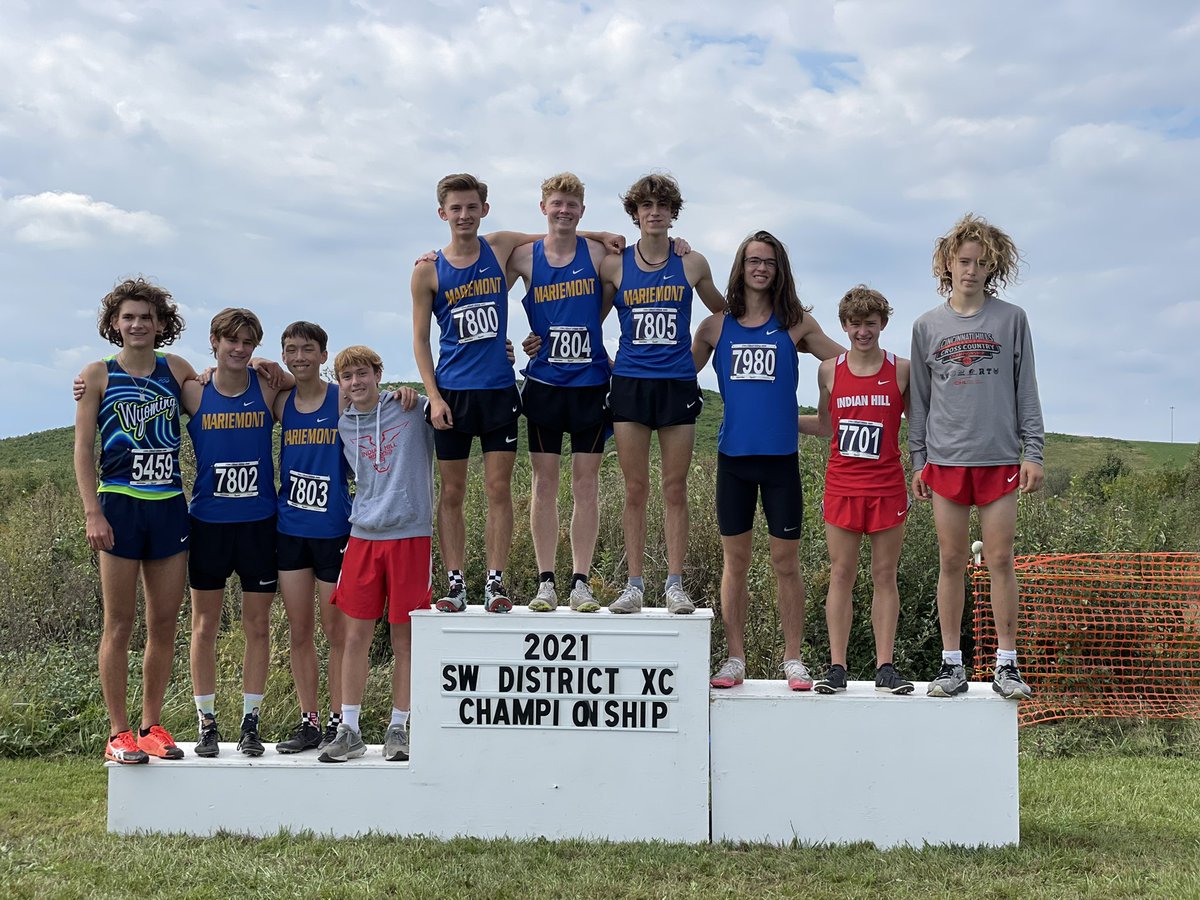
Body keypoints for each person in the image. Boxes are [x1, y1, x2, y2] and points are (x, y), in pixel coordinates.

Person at [411, 173, 618, 614]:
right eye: (455, 208)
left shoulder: (502, 245)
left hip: (507, 390)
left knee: (501, 489)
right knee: (452, 493)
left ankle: (498, 582)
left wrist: (600, 234)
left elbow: (561, 232)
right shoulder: (429, 269)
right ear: (442, 213)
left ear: (484, 210)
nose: (464, 215)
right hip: (455, 391)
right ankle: (455, 583)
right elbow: (421, 338)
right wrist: (434, 396)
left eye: (472, 207)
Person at [693, 231, 843, 689]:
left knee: (786, 563)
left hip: (781, 463)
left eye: (770, 262)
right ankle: (734, 657)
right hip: (733, 460)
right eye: (754, 260)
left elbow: (849, 363)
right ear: (740, 266)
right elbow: (673, 369)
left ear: (779, 270)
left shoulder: (796, 323)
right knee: (734, 563)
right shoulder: (716, 326)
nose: (761, 268)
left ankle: (793, 659)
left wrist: (900, 373)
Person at [909, 213, 1044, 700]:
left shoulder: (1012, 319)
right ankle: (951, 665)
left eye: (981, 263)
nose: (971, 270)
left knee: (1001, 559)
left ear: (993, 267)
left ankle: (1006, 664)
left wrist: (1034, 451)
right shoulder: (926, 326)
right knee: (950, 560)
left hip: (1000, 457)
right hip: (944, 461)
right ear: (948, 262)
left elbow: (1025, 388)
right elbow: (919, 402)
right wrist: (917, 460)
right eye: (964, 261)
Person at [73, 278, 198, 763]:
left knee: (164, 624)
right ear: (114, 324)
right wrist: (92, 512)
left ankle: (151, 725)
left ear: (162, 324)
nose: (137, 324)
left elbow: (218, 396)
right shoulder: (97, 375)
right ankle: (118, 732)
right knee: (119, 624)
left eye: (146, 317)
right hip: (120, 505)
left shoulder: (176, 369)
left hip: (168, 503)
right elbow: (83, 450)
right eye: (128, 317)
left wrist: (266, 371)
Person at [605, 173, 726, 615]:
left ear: (673, 214)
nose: (654, 212)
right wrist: (605, 361)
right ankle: (634, 585)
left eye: (662, 205)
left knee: (674, 488)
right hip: (631, 386)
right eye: (646, 206)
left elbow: (726, 314)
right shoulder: (614, 265)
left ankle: (674, 585)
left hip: (676, 383)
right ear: (635, 214)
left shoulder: (692, 263)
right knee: (635, 489)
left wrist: (700, 350)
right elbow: (584, 316)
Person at [318, 346, 434, 763]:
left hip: (411, 534)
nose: (355, 382)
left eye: (362, 373)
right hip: (364, 536)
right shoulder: (342, 425)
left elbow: (449, 407)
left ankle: (399, 727)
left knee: (404, 638)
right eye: (347, 377)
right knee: (354, 638)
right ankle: (349, 729)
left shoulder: (411, 407)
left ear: (378, 374)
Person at [186, 308, 292, 756]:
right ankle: (207, 721)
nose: (240, 349)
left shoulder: (267, 386)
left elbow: (299, 384)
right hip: (208, 523)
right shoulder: (194, 391)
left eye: (248, 343)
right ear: (214, 340)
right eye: (231, 341)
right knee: (204, 626)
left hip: (257, 524)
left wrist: (278, 368)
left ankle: (251, 722)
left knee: (258, 627)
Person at [510, 172, 613, 613]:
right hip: (545, 384)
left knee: (586, 485)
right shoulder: (524, 257)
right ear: (544, 208)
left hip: (590, 385)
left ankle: (581, 582)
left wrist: (681, 247)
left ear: (582, 211)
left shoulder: (597, 252)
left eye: (572, 205)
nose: (564, 211)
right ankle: (545, 582)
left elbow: (640, 266)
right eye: (557, 203)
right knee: (544, 483)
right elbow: (479, 274)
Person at [808, 286, 913, 695]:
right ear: (844, 326)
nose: (863, 332)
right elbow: (824, 423)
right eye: (855, 324)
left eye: (871, 323)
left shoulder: (901, 369)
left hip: (887, 486)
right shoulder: (829, 370)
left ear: (883, 324)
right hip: (842, 485)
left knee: (885, 575)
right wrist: (776, 420)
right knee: (841, 574)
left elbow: (919, 423)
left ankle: (885, 667)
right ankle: (838, 667)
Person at [269, 321, 352, 753]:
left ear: (323, 354)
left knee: (336, 633)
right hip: (291, 531)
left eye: (307, 349)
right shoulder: (281, 404)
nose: (299, 356)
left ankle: (342, 722)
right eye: (290, 349)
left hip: (334, 530)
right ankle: (310, 722)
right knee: (299, 632)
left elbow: (383, 402)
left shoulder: (341, 397)